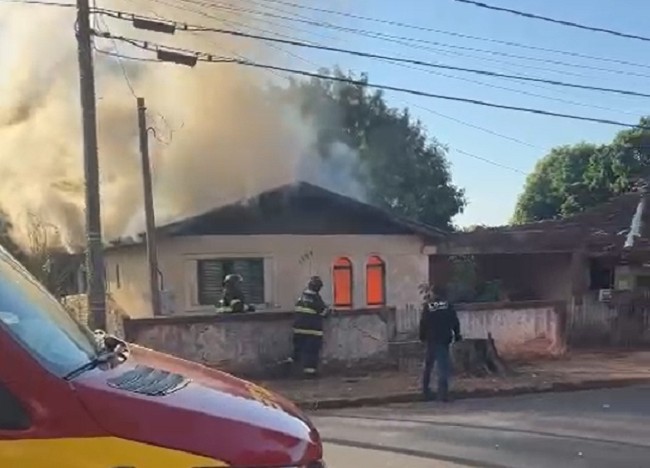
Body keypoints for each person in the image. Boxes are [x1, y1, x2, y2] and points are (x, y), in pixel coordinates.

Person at [419, 284, 462, 402]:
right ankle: (443, 394)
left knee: (428, 366)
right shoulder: (448, 306)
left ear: (434, 293)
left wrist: (422, 337)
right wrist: (457, 335)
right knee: (443, 367)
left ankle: (425, 391)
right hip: (443, 339)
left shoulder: (429, 306)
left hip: (431, 339)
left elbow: (423, 323)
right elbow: (455, 321)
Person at [289, 276, 329, 377]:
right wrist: (329, 310)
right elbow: (324, 313)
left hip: (298, 330)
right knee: (312, 353)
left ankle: (290, 369)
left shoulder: (301, 297)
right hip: (312, 331)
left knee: (298, 351)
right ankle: (310, 373)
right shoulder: (316, 298)